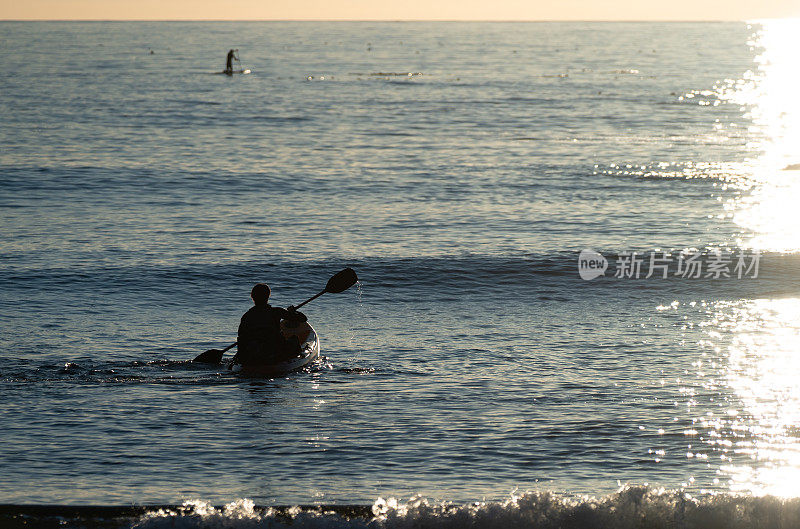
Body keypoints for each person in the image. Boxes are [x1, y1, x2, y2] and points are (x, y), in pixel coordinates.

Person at [234, 283, 307, 366]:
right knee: (294, 339)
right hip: (274, 352)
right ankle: (296, 360)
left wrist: (241, 357)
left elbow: (241, 338)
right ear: (268, 296)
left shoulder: (246, 316)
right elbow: (303, 319)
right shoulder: (277, 311)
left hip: (253, 354)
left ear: (252, 297)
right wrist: (293, 311)